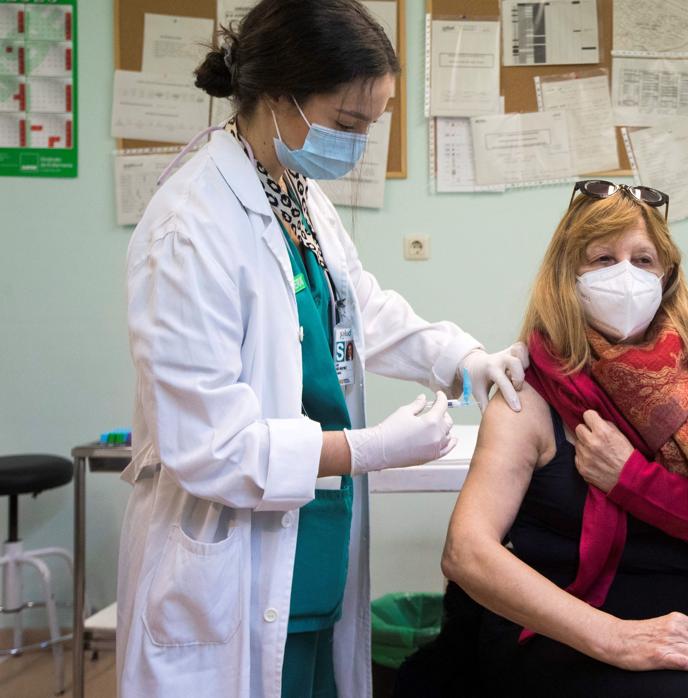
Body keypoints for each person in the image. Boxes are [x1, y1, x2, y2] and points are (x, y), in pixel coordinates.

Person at [117, 1, 526, 696]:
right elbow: (210, 447)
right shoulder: (191, 228)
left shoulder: (293, 192)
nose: (359, 143)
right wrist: (368, 450)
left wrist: (461, 358)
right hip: (230, 556)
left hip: (312, 539)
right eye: (346, 123)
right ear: (278, 96)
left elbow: (356, 308)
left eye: (372, 124)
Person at [427, 180, 688, 697]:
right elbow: (466, 552)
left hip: (676, 637)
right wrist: (614, 638)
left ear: (667, 276)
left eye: (643, 260)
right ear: (567, 276)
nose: (626, 276)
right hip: (555, 635)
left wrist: (631, 481)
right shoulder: (531, 392)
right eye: (602, 259)